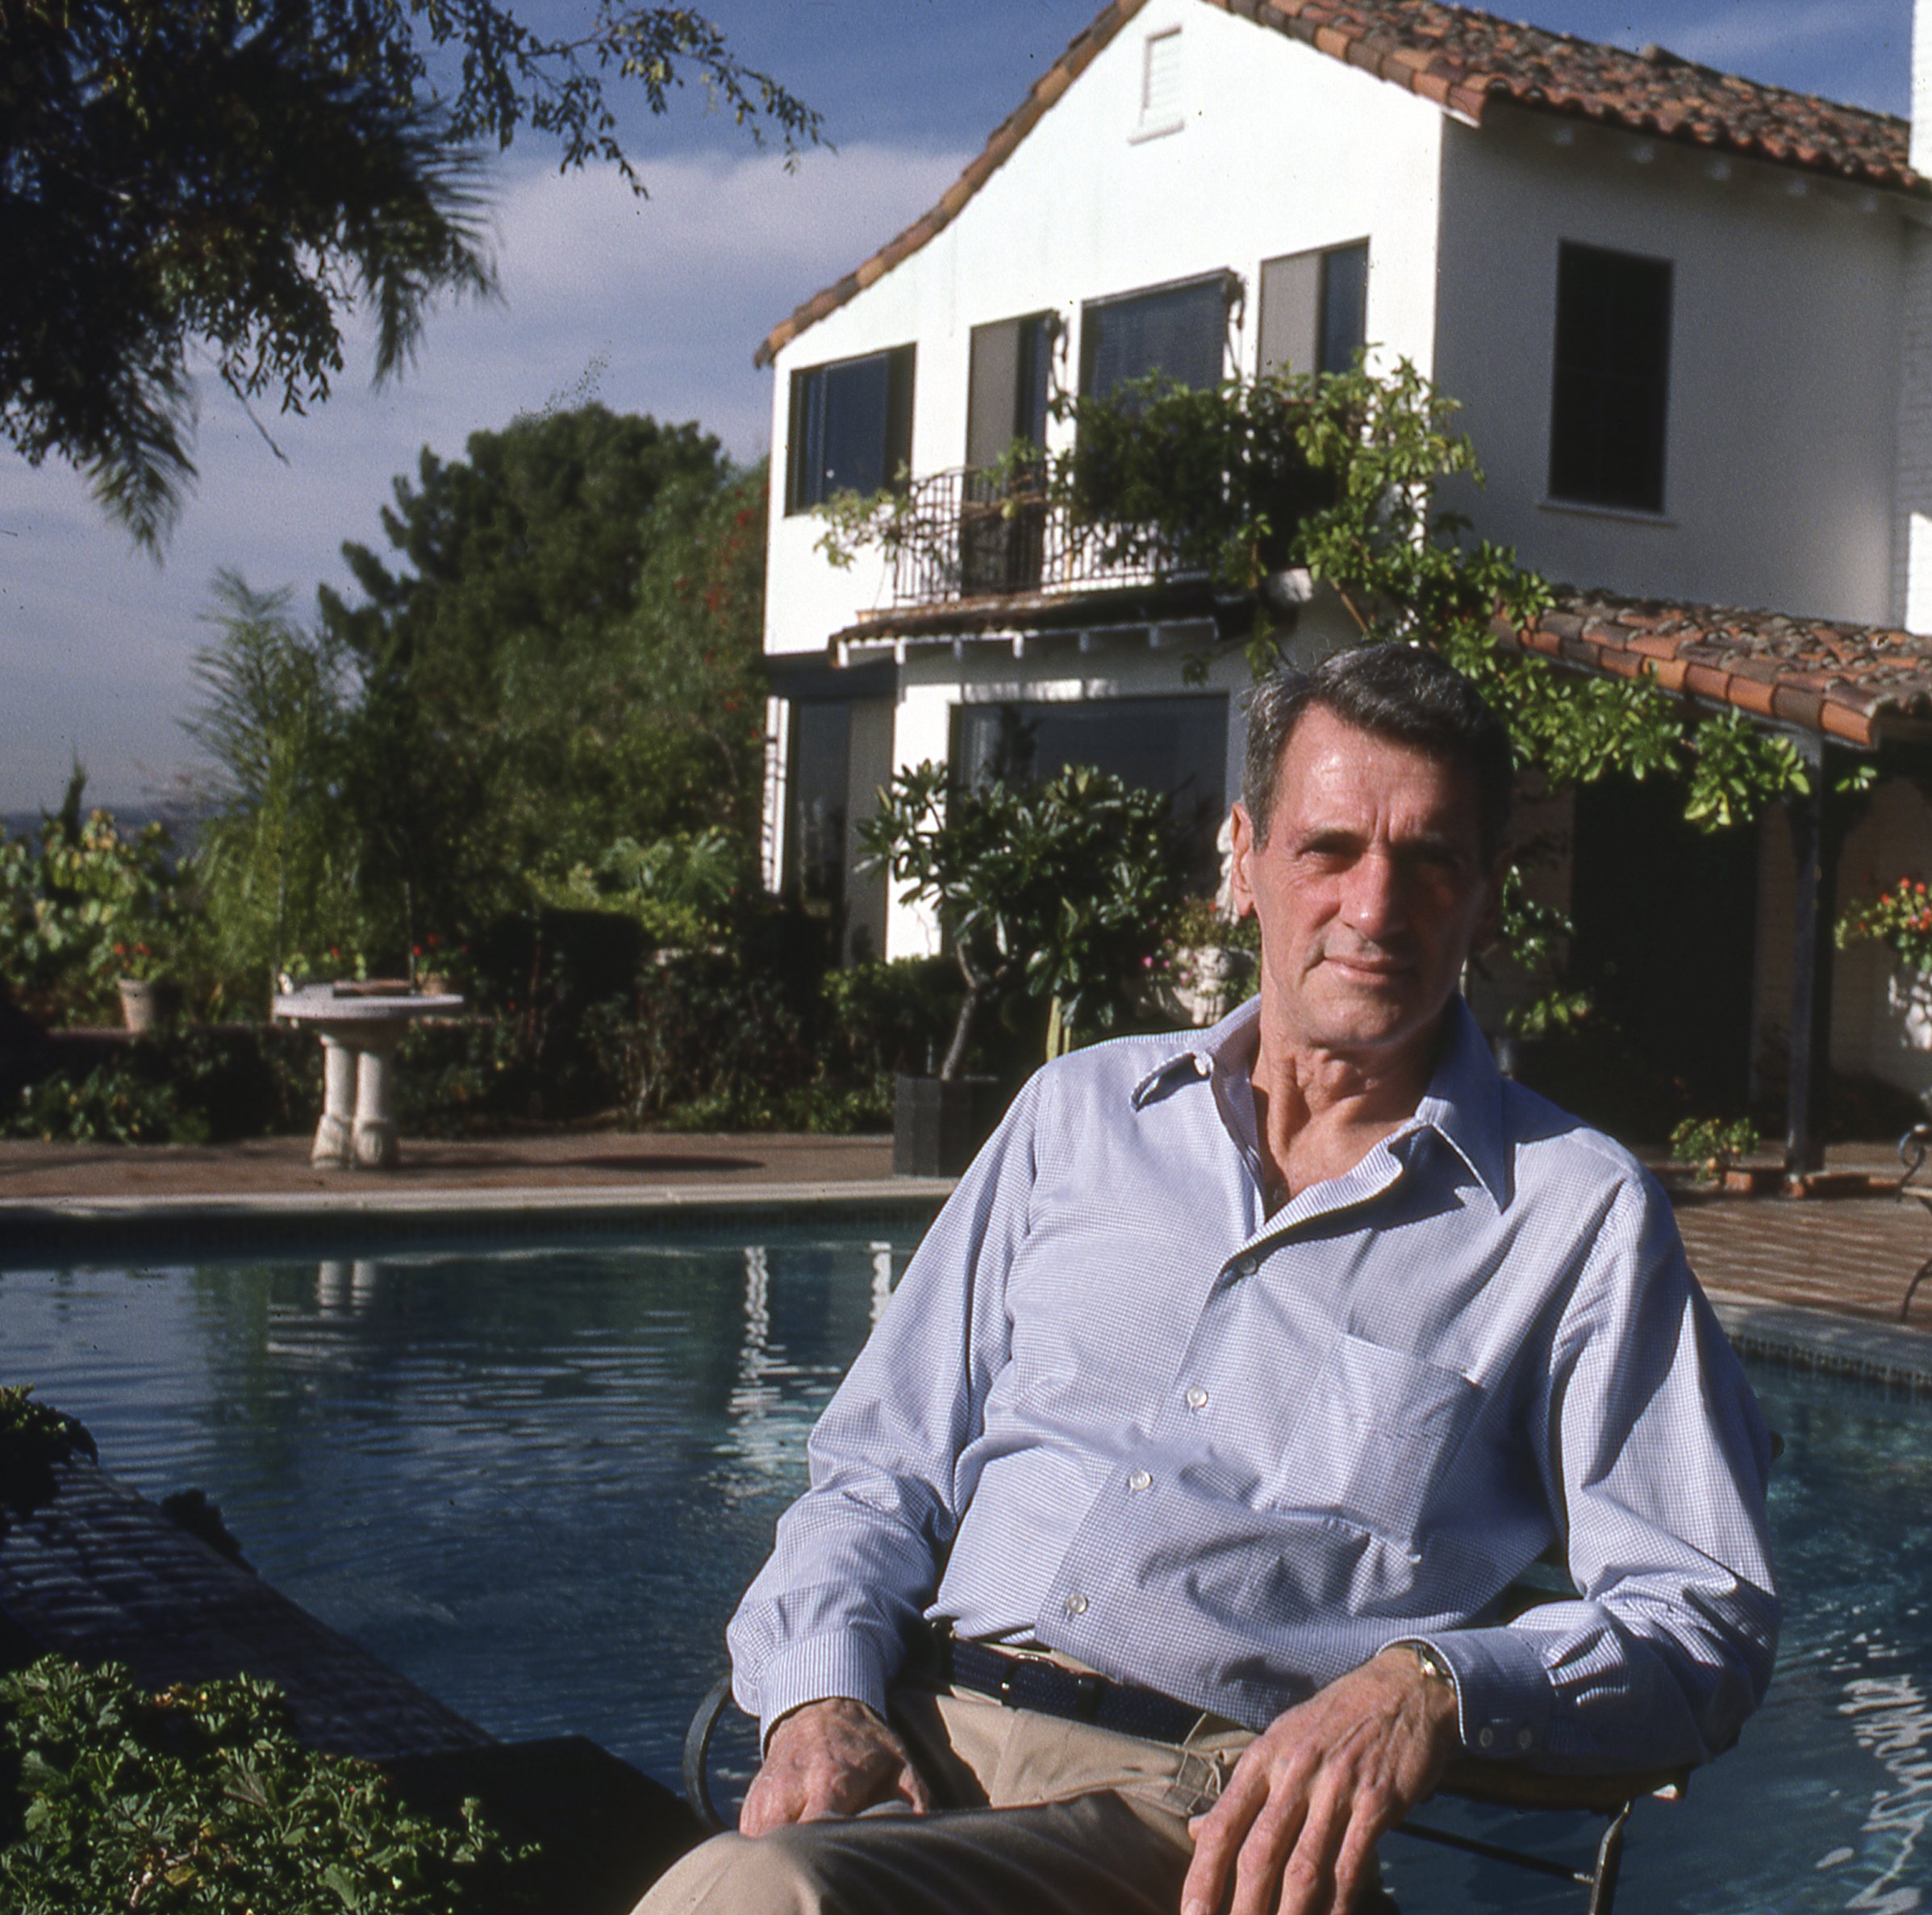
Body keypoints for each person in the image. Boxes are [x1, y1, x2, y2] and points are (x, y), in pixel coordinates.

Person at [633, 642, 1780, 1915]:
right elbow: (875, 1469)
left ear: (1488, 898)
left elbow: (1700, 1624)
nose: (1375, 906)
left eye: (1432, 861)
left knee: (757, 1900)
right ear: (1243, 860)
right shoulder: (1079, 1115)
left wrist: (1432, 1688)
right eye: (1328, 848)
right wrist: (821, 1694)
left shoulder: (1574, 1218)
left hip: (1197, 1827)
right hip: (911, 1758)